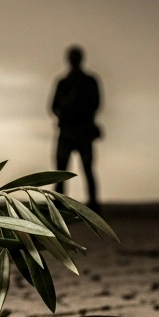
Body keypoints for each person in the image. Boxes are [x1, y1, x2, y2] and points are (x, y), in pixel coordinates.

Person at [50, 45, 101, 213]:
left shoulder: (88, 82)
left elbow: (95, 104)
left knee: (85, 169)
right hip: (69, 132)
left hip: (82, 132)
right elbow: (54, 107)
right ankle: (60, 206)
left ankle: (93, 207)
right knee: (61, 172)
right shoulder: (64, 82)